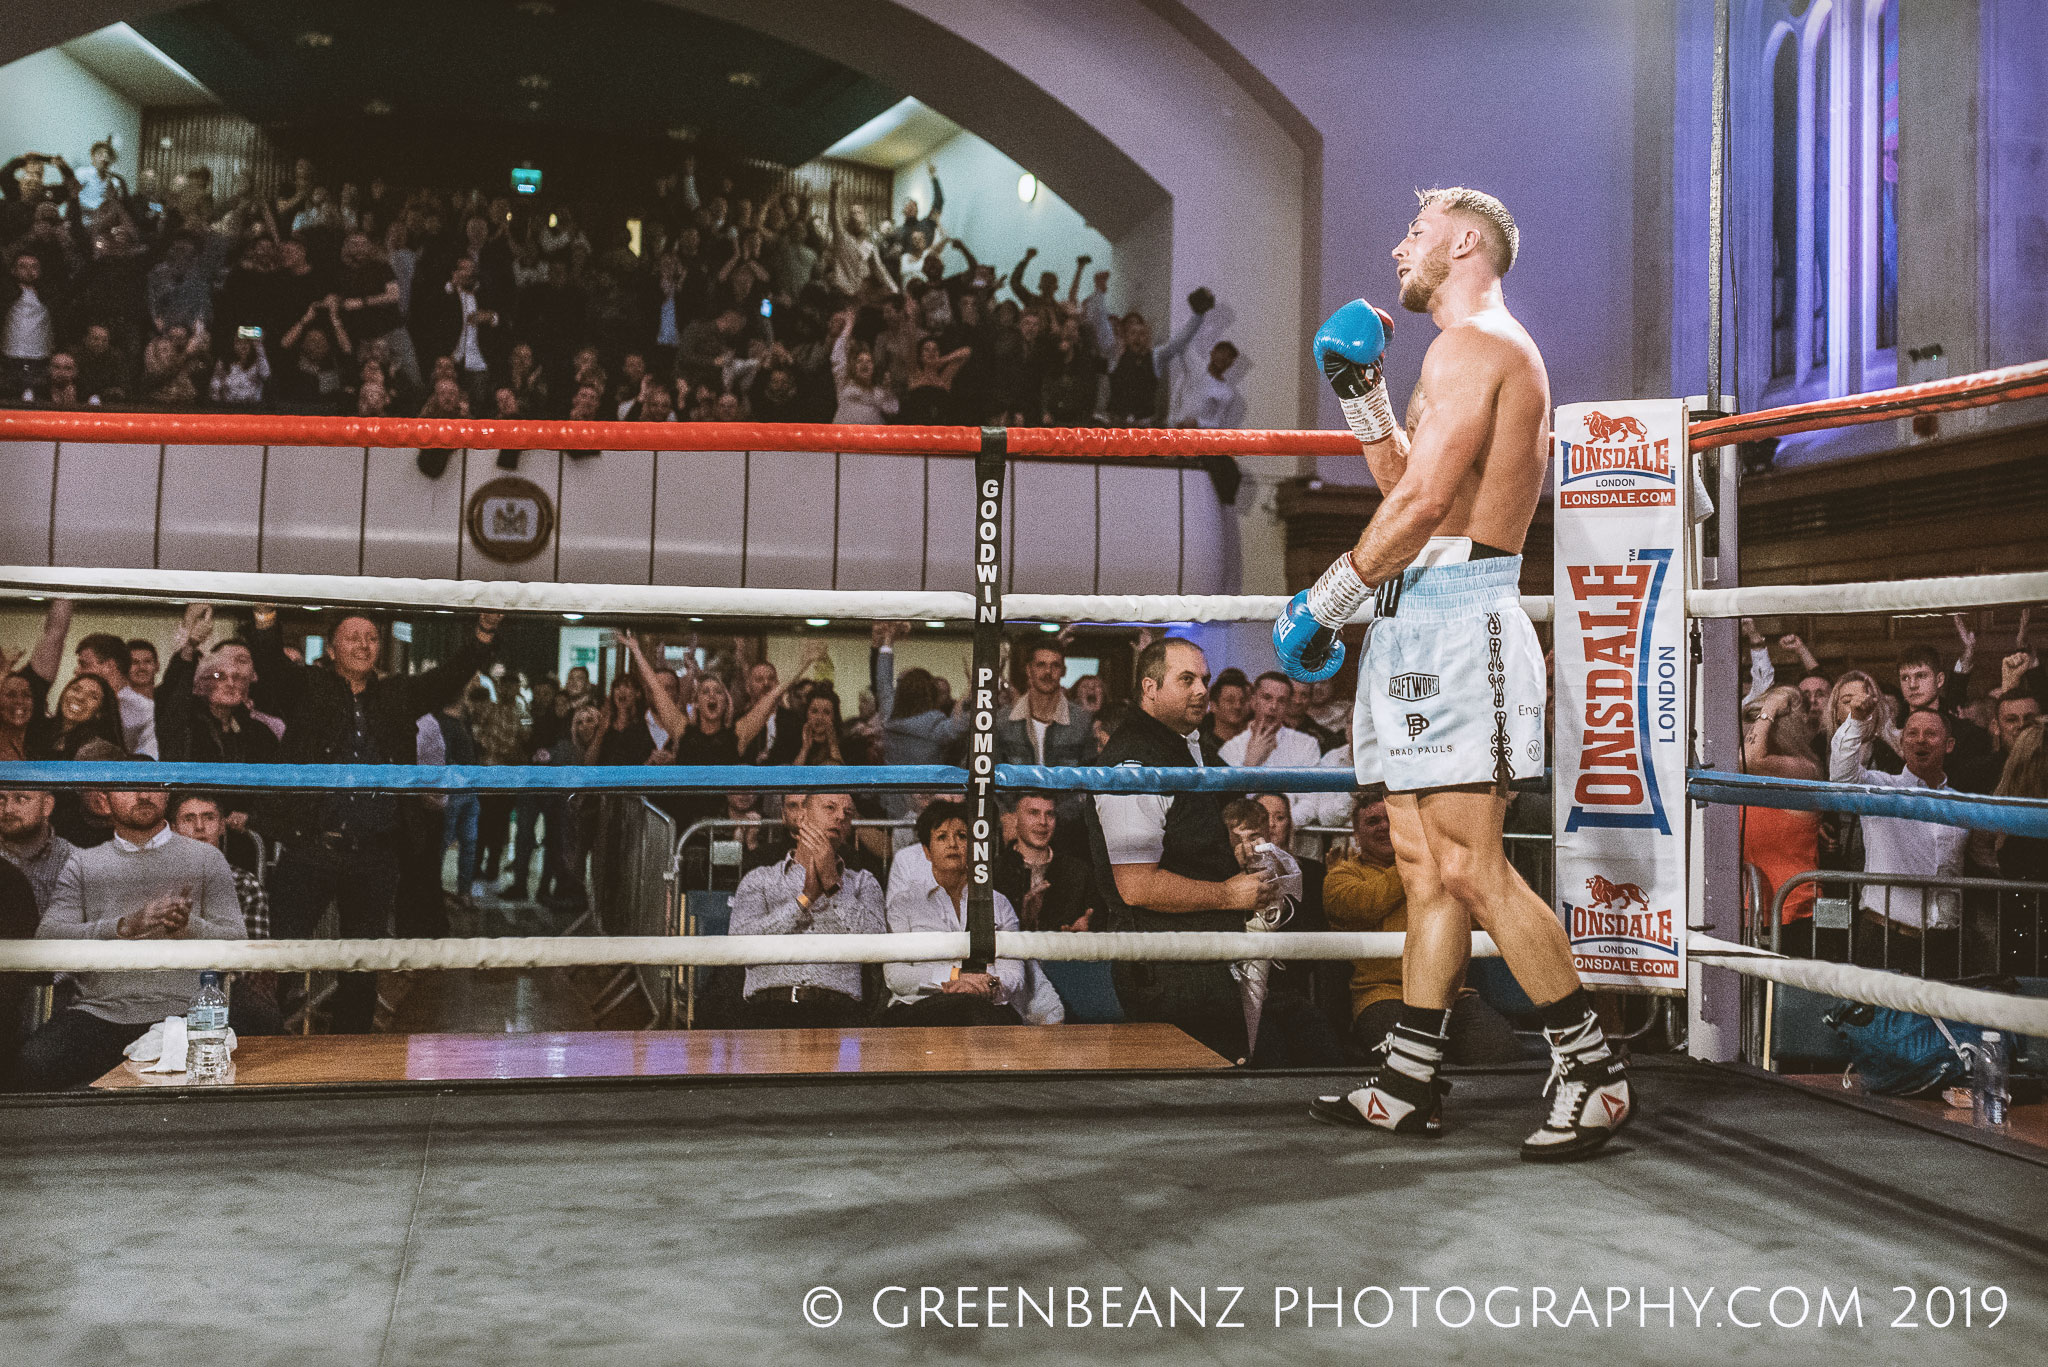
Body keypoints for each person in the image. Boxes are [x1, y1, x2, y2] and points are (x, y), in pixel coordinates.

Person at [1276, 187, 1627, 1160]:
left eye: (1416, 233)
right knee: (1424, 869)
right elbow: (1412, 481)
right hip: (1422, 620)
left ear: (1464, 241)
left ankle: (1592, 1071)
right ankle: (1406, 1081)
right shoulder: (1456, 356)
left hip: (1459, 617)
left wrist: (1327, 599)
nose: (1398, 249)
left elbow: (1428, 500)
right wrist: (1360, 393)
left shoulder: (1479, 344)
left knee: (1470, 863)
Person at [251, 607, 500, 1032]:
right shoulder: (308, 688)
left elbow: (448, 677)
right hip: (310, 846)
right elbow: (272, 669)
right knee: (281, 955)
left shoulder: (397, 695)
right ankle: (260, 1047)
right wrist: (265, 621)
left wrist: (482, 633)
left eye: (371, 637)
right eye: (353, 637)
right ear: (330, 649)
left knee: (362, 966)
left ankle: (352, 1062)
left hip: (374, 853)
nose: (364, 645)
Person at [1086, 638, 1273, 1061]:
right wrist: (1229, 894)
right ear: (1150, 688)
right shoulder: (1132, 764)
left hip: (1203, 956)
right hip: (1167, 964)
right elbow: (1136, 886)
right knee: (1196, 1088)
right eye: (1186, 679)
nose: (1201, 690)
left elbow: (1231, 815)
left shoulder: (1192, 748)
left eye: (1204, 679)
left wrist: (1244, 849)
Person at [15, 766, 244, 1091]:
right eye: (127, 786)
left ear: (166, 793)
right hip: (97, 1014)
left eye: (152, 785)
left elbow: (239, 946)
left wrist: (188, 928)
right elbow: (47, 943)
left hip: (180, 1015)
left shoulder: (206, 858)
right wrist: (122, 927)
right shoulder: (83, 863)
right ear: (105, 800)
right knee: (33, 1064)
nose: (142, 794)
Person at [1830, 698, 1968, 977]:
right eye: (1912, 734)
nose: (1921, 741)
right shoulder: (1881, 789)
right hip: (1883, 938)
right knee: (1876, 1020)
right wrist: (1856, 719)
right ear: (1902, 743)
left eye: (1931, 734)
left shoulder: (1962, 804)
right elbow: (1842, 777)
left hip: (1943, 943)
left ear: (1949, 745)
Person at [728, 792, 885, 1028]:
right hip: (767, 1009)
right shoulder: (759, 879)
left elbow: (878, 944)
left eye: (848, 813)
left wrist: (834, 886)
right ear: (802, 817)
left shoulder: (864, 882)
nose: (841, 816)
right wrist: (804, 899)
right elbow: (739, 943)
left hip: (838, 1011)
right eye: (830, 808)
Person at [883, 800, 1028, 1025]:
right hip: (921, 1008)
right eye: (941, 837)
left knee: (996, 1017)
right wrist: (956, 977)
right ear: (927, 851)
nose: (952, 843)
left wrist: (986, 984)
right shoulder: (904, 904)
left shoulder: (999, 903)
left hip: (985, 1005)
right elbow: (896, 976)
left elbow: (1015, 974)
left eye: (961, 836)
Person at [1741, 687, 1825, 956]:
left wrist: (1772, 705)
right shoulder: (1757, 776)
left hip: (1796, 911)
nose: (1748, 736)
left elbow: (1750, 758)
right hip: (1755, 911)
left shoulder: (1805, 768)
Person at [994, 793, 1096, 932]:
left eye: (1050, 814)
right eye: (1033, 813)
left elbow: (1095, 921)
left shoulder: (1079, 873)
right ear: (1014, 819)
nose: (1043, 822)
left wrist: (1082, 934)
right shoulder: (994, 872)